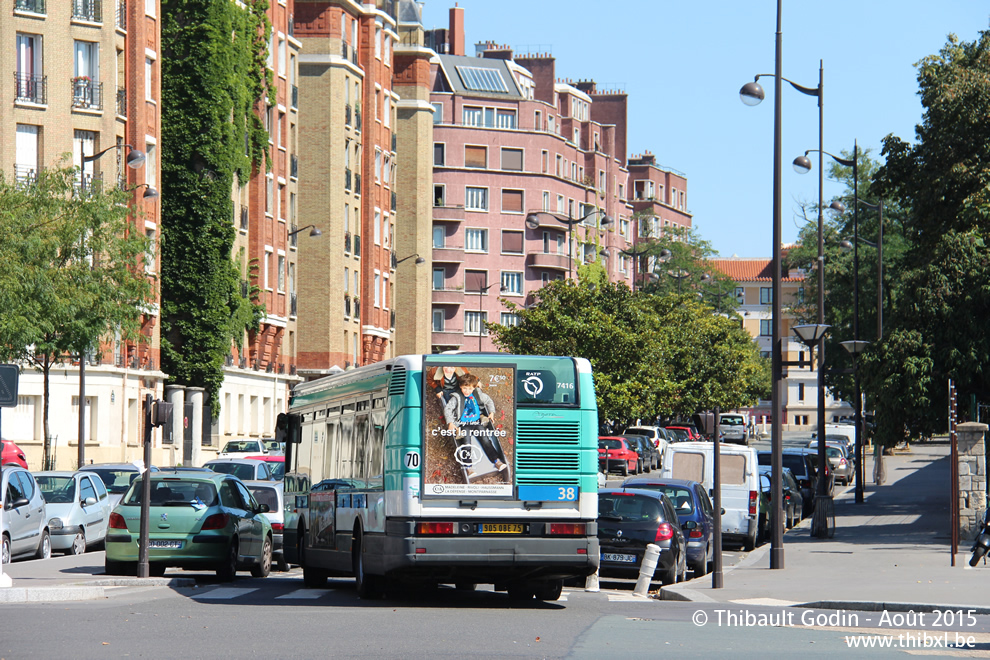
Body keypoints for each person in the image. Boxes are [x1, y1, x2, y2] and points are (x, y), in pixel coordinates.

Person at [443, 373, 508, 477]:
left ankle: (496, 461)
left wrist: (491, 413)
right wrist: (450, 422)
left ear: (474, 387)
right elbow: (448, 409)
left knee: (485, 439)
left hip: (476, 421)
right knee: (466, 443)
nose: (467, 391)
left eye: (469, 389)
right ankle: (469, 467)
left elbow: (489, 401)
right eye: (465, 388)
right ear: (460, 386)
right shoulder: (457, 397)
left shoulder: (477, 394)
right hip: (464, 423)